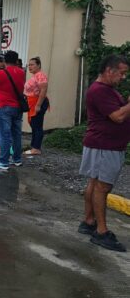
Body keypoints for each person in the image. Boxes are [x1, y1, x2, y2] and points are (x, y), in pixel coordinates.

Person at [78, 55, 130, 252]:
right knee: (102, 188)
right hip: (104, 146)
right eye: (122, 73)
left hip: (102, 144)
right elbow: (117, 117)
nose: (123, 77)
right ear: (110, 71)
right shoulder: (100, 91)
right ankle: (101, 231)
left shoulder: (106, 90)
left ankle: (89, 221)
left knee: (94, 183)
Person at [0, 51, 25, 170]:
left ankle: (4, 161)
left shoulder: (0, 73)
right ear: (16, 60)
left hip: (4, 105)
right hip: (18, 106)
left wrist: (0, 90)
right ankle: (17, 159)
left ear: (5, 61)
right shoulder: (22, 72)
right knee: (16, 134)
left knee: (4, 134)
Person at [24, 57, 49, 155]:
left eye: (32, 64)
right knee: (34, 124)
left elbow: (43, 90)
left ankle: (36, 148)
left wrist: (38, 105)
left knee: (37, 125)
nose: (30, 66)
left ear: (38, 65)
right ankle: (33, 145)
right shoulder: (35, 76)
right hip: (32, 102)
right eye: (29, 65)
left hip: (38, 102)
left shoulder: (40, 75)